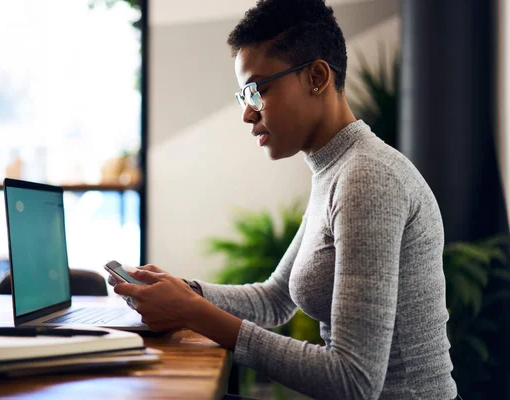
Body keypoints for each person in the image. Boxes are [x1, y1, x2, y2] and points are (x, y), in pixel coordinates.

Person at [112, 0, 459, 398]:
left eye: (257, 90)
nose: (247, 113)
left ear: (316, 76)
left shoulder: (368, 177)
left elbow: (354, 381)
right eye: (243, 96)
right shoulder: (336, 169)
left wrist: (194, 313)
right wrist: (187, 291)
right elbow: (275, 299)